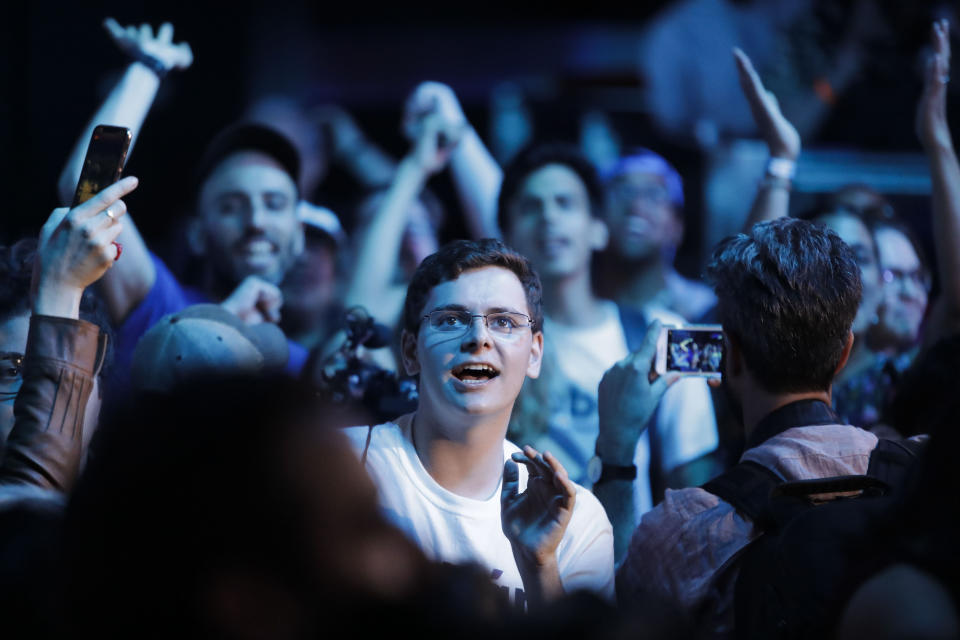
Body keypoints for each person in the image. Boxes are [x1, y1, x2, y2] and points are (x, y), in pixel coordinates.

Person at [612, 217, 869, 635]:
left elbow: (614, 615)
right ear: (844, 355)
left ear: (729, 357)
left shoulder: (680, 534)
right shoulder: (918, 477)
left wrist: (616, 449)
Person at [343, 239, 615, 609]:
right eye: (450, 320)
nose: (478, 338)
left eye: (503, 322)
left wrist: (541, 565)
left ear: (534, 354)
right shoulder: (342, 468)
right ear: (410, 353)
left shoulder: (576, 519)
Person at [56, 20, 309, 391]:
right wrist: (149, 67)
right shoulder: (162, 309)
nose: (256, 221)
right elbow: (87, 191)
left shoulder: (301, 365)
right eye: (230, 206)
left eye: (274, 203)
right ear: (197, 235)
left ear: (300, 235)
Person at [497, 144, 717, 560]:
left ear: (599, 228)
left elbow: (696, 488)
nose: (549, 217)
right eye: (530, 206)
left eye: (565, 203)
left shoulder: (666, 333)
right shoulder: (496, 344)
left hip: (631, 577)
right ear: (508, 235)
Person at [597, 148, 717, 322]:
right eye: (623, 192)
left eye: (653, 194)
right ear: (598, 220)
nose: (635, 206)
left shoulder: (701, 308)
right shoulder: (577, 304)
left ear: (677, 226)